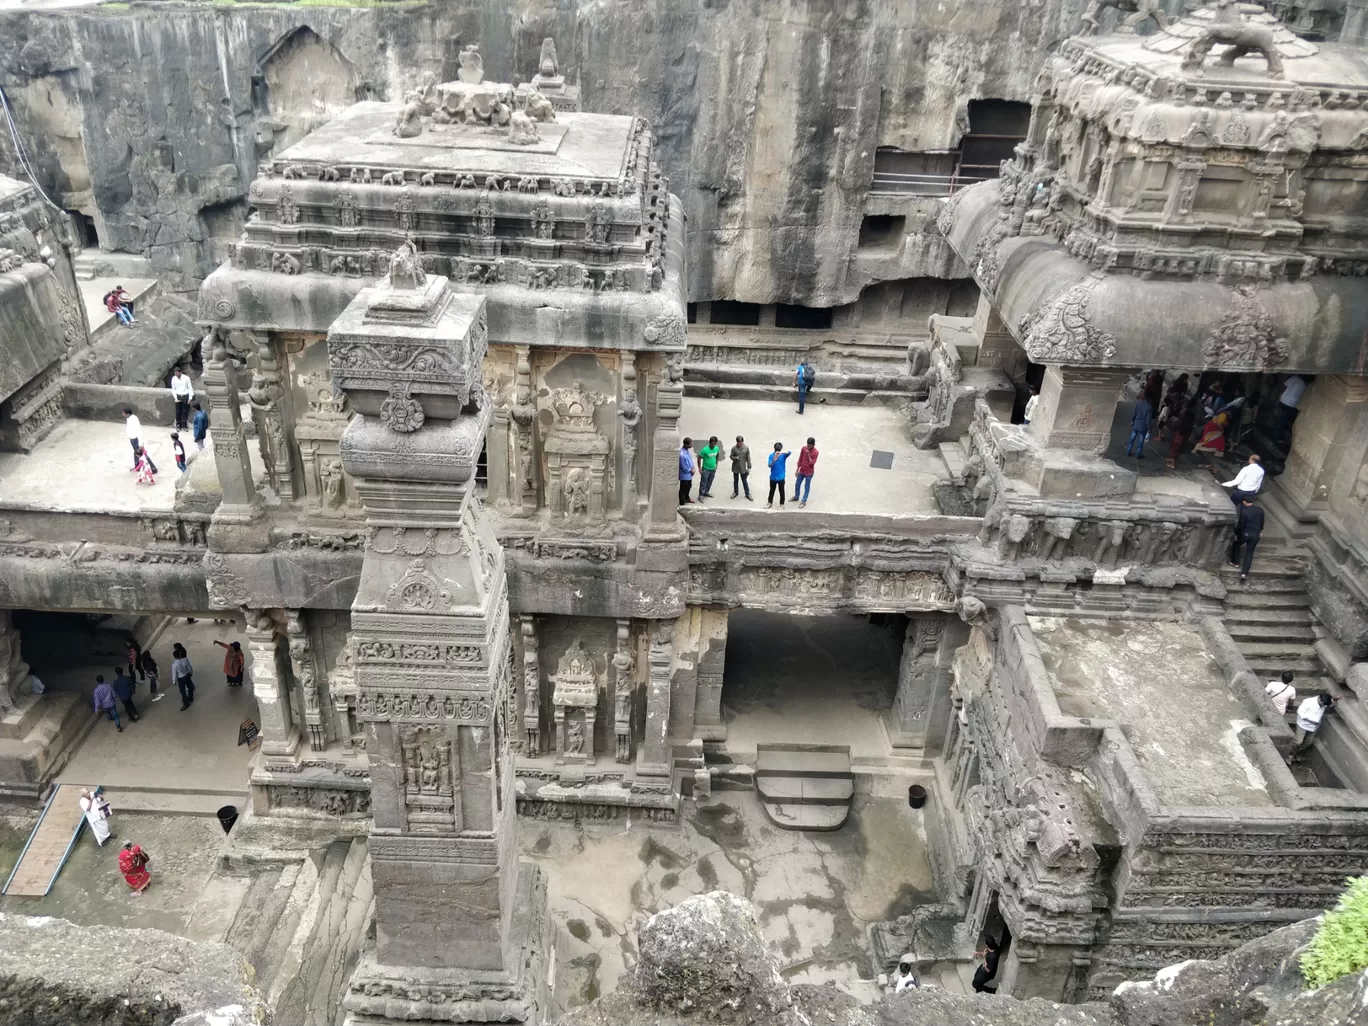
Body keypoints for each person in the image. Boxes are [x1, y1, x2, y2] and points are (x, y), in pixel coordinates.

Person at [1292, 692, 1336, 760]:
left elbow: (1331, 704)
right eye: (1323, 704)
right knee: (1298, 741)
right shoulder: (1308, 702)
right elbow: (1300, 712)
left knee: (1308, 742)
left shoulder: (1325, 702)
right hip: (1303, 725)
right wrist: (1310, 721)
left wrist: (1335, 700)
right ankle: (1290, 755)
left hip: (1313, 727)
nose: (1323, 706)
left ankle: (1296, 752)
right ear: (1320, 699)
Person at [1228, 497, 1264, 581]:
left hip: (1246, 533)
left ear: (1244, 502)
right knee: (1249, 553)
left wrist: (1236, 533)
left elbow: (1241, 525)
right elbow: (1262, 522)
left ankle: (1235, 562)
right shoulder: (1260, 510)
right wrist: (1260, 530)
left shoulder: (1244, 512)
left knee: (1236, 544)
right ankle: (1244, 573)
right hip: (1256, 535)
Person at [1273, 374, 1307, 447]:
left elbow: (1285, 385)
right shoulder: (1304, 384)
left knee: (1281, 417)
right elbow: (1303, 395)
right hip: (1291, 404)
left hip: (1283, 399)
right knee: (1284, 420)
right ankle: (1277, 438)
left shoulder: (1294, 377)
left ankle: (1275, 430)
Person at [1166, 400, 1197, 470]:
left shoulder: (1185, 414)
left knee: (1175, 447)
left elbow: (1181, 423)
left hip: (1180, 433)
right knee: (1176, 446)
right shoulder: (1192, 415)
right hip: (1184, 433)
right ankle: (1171, 459)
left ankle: (1172, 463)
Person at [1126, 393, 1153, 458]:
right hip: (1143, 425)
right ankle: (1138, 454)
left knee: (1132, 438)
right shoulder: (1149, 407)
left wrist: (1132, 420)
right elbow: (1148, 419)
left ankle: (1128, 451)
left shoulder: (1138, 404)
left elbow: (1134, 414)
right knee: (1141, 440)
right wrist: (1149, 427)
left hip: (1136, 423)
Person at [795, 437, 818, 508]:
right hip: (802, 470)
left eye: (810, 445)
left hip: (809, 473)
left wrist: (808, 454)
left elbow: (812, 463)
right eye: (807, 445)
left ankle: (804, 501)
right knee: (797, 484)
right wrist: (797, 469)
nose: (808, 446)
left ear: (813, 445)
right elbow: (800, 458)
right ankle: (796, 496)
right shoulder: (803, 448)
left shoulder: (816, 452)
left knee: (807, 486)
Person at [171, 643, 195, 711]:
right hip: (187, 674)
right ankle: (190, 698)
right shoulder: (185, 659)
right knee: (190, 686)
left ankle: (186, 703)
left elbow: (174, 674)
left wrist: (174, 681)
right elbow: (189, 667)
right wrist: (191, 672)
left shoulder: (174, 665)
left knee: (182, 691)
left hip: (181, 678)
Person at [767, 442, 791, 508]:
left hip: (781, 477)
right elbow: (769, 465)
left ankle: (782, 504)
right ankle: (769, 502)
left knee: (781, 491)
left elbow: (789, 452)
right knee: (771, 491)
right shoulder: (771, 456)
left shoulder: (783, 455)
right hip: (773, 477)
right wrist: (774, 460)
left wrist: (781, 453)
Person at [729, 435, 752, 500]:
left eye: (740, 442)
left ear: (742, 442)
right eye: (738, 442)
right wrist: (735, 458)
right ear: (736, 442)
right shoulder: (734, 448)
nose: (739, 444)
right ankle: (735, 492)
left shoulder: (746, 448)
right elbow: (731, 456)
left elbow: (748, 458)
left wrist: (749, 467)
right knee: (735, 481)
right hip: (735, 467)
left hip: (743, 468)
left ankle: (747, 494)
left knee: (744, 481)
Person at [698, 436, 721, 500]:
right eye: (712, 443)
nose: (713, 445)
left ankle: (706, 492)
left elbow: (717, 455)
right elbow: (699, 458)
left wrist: (716, 465)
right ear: (709, 443)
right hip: (705, 469)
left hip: (713, 469)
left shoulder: (716, 448)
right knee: (703, 482)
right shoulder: (705, 450)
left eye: (714, 443)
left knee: (710, 482)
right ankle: (701, 495)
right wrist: (699, 468)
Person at [678, 437, 696, 506]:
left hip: (689, 475)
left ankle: (687, 498)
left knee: (688, 486)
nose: (692, 445)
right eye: (691, 444)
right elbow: (683, 466)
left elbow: (690, 460)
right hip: (684, 476)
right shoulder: (681, 454)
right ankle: (682, 503)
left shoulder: (687, 451)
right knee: (683, 489)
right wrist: (691, 470)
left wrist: (693, 467)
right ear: (686, 444)